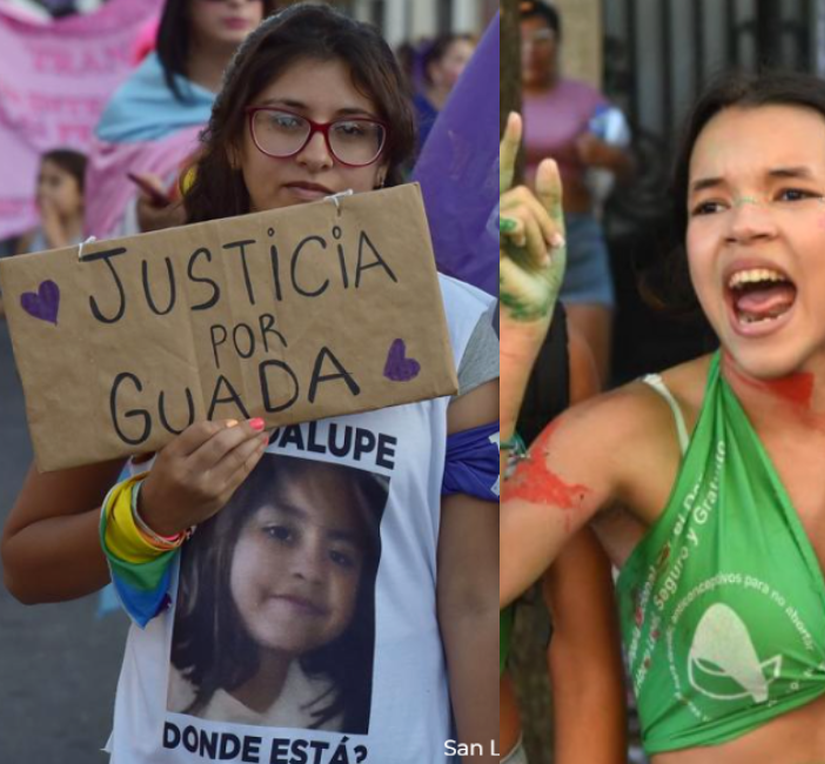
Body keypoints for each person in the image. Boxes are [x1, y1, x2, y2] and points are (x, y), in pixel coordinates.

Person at [0, 5, 531, 762]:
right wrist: (150, 515)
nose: (318, 154)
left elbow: (473, 600)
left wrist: (485, 759)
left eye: (353, 130)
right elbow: (25, 564)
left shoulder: (457, 330)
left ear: (386, 159)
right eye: (285, 121)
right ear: (233, 143)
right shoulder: (151, 310)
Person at [496, 70, 825, 763]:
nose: (743, 225)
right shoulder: (627, 435)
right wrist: (516, 342)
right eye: (710, 206)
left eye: (791, 192)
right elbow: (448, 591)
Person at [167, 455, 386, 732]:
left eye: (340, 556)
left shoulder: (330, 708)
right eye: (280, 532)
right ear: (224, 539)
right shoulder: (164, 682)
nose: (311, 570)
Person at [86, 0, 271, 240]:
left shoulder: (293, 95)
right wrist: (143, 220)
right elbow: (103, 226)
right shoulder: (130, 108)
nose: (237, 2)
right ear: (182, 6)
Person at [519, 0, 634, 385]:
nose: (532, 50)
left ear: (558, 42)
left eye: (542, 39)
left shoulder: (583, 98)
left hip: (576, 238)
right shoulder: (501, 94)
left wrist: (603, 154)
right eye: (520, 41)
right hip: (512, 242)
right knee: (515, 374)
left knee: (589, 372)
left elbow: (628, 166)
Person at [3, 148, 87, 256]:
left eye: (55, 181)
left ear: (82, 192)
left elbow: (77, 271)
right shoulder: (30, 238)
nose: (43, 189)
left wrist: (54, 234)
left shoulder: (95, 238)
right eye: (40, 180)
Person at [412, 33, 477, 152]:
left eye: (473, 60)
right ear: (435, 70)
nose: (472, 67)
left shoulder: (475, 115)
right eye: (460, 60)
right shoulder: (412, 116)